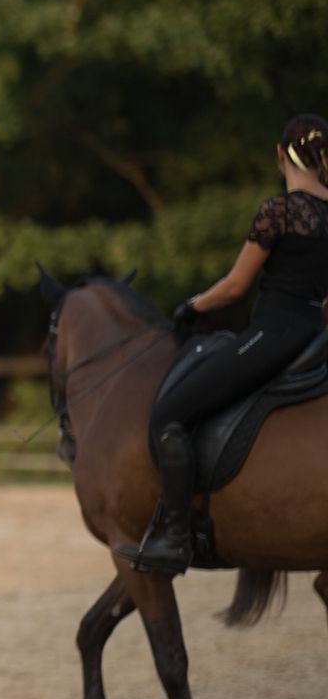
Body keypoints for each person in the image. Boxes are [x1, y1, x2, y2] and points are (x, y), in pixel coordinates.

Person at [125, 114, 328, 573]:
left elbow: (237, 285)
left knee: (168, 413)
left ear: (280, 155)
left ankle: (176, 538)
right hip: (316, 338)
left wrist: (194, 305)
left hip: (273, 335)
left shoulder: (279, 210)